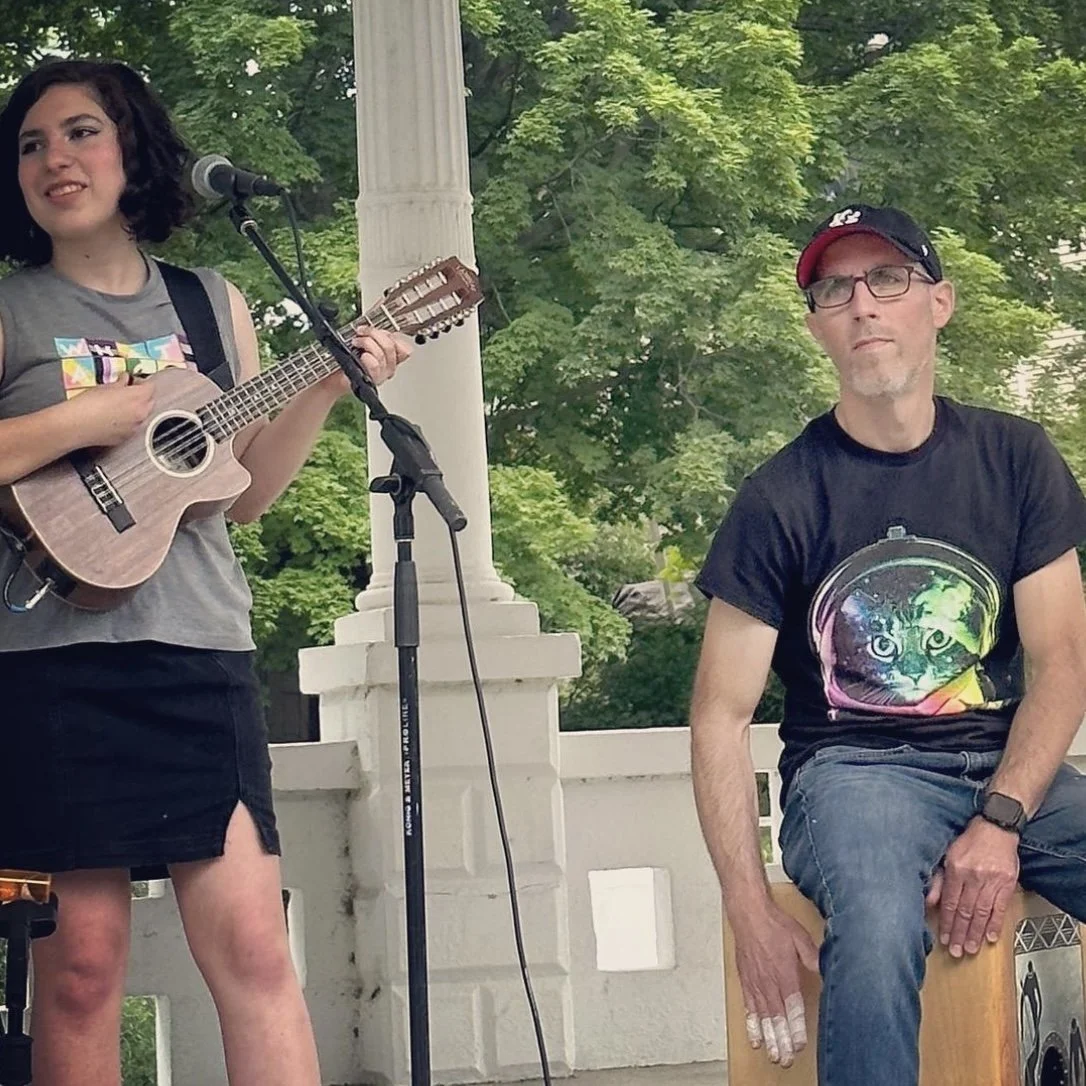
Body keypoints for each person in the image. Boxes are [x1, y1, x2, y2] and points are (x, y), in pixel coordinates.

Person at [0, 59, 411, 1086]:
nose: (56, 158)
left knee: (255, 950)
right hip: (53, 661)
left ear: (131, 147)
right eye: (31, 143)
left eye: (82, 132)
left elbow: (241, 489)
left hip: (198, 649)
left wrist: (321, 389)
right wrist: (85, 418)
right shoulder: (9, 311)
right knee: (82, 966)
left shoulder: (210, 302)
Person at [690, 203, 1086, 1085]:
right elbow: (719, 716)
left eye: (889, 279)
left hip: (1004, 765)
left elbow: (1062, 665)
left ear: (938, 303)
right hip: (854, 776)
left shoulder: (1015, 459)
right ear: (817, 326)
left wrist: (1000, 820)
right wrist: (749, 911)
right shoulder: (780, 498)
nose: (863, 304)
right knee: (873, 924)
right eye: (836, 290)